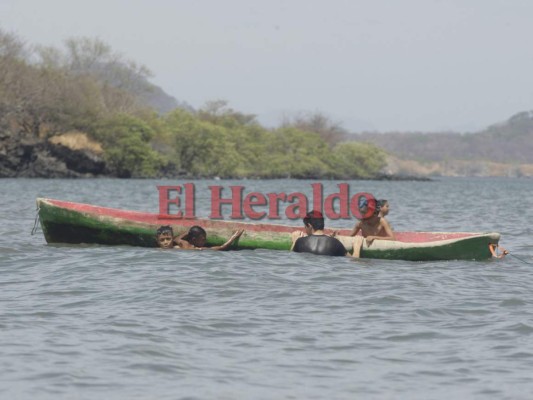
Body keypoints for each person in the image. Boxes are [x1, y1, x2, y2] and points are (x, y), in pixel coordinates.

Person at [175, 225, 244, 251]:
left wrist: (189, 232)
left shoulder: (184, 244)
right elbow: (221, 247)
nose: (205, 241)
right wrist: (234, 237)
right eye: (203, 239)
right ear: (194, 240)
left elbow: (176, 239)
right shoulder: (197, 249)